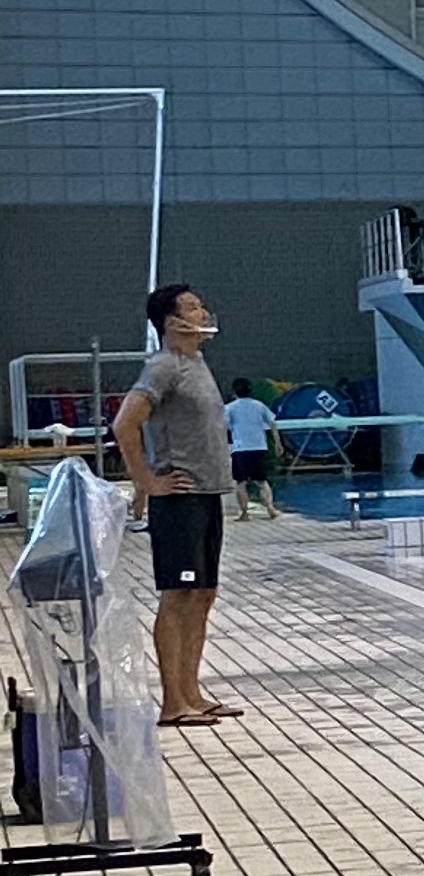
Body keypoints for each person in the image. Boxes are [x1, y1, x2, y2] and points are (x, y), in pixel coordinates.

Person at [109, 283, 239, 728]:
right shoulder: (163, 366)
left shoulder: (196, 363)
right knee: (178, 595)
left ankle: (192, 693)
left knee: (202, 595)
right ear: (172, 321)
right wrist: (147, 481)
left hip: (207, 494)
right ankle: (172, 703)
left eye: (201, 305)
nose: (203, 312)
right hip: (180, 498)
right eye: (193, 307)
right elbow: (125, 424)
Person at [223, 380, 279, 519]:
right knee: (262, 481)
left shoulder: (230, 408)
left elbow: (223, 426)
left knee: (241, 483)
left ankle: (244, 513)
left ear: (234, 392)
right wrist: (278, 443)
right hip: (259, 446)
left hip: (240, 448)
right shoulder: (259, 405)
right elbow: (272, 423)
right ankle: (270, 507)